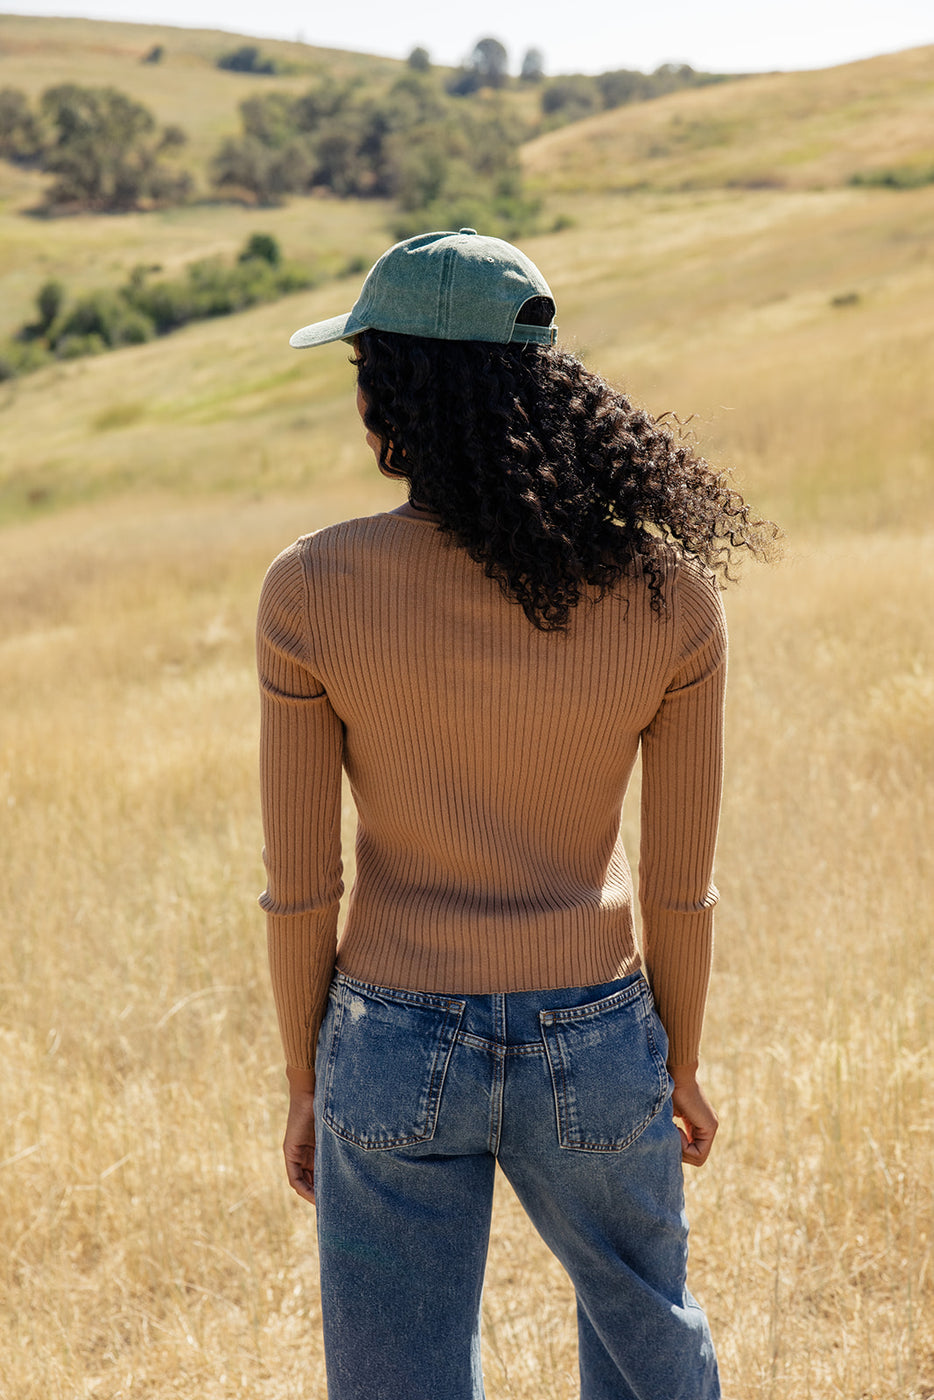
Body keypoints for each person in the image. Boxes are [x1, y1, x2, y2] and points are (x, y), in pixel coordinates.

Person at [257, 228, 778, 1400]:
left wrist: (305, 1075)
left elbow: (302, 884)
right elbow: (678, 884)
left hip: (389, 1038)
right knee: (654, 1352)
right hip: (596, 1035)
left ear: (387, 393)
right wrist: (678, 1058)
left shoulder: (309, 586)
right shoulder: (666, 595)